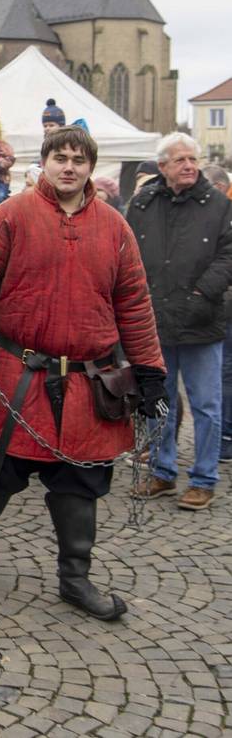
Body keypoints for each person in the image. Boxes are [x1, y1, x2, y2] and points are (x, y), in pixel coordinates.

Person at [0, 126, 166, 621]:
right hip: (16, 372)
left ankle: (75, 578)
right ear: (44, 162)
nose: (69, 167)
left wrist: (150, 371)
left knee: (80, 481)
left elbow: (134, 304)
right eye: (60, 157)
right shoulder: (10, 215)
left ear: (91, 167)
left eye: (79, 159)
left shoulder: (115, 227)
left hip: (88, 381)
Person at [127, 132, 232, 510]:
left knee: (206, 405)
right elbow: (127, 256)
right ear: (162, 167)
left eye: (193, 159)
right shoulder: (141, 204)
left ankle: (204, 478)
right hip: (154, 321)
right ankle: (162, 471)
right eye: (181, 160)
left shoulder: (219, 205)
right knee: (159, 400)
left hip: (202, 321)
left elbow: (228, 255)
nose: (189, 166)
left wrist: (202, 294)